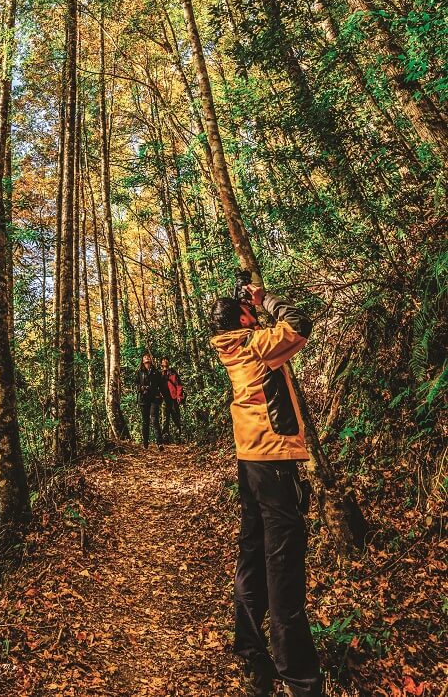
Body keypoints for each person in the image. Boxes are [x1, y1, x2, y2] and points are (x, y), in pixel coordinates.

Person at [211, 281, 323, 697]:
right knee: (283, 565)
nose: (253, 313)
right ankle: (299, 677)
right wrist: (266, 299)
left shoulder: (234, 346)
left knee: (254, 551)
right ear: (242, 318)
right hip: (273, 460)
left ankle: (250, 650)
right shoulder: (256, 345)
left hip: (251, 460)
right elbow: (299, 323)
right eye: (248, 310)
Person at [135, 350, 165, 449]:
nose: (147, 358)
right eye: (145, 357)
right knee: (145, 421)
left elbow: (161, 385)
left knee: (154, 419)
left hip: (154, 398)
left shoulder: (156, 372)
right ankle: (145, 444)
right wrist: (141, 388)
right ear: (142, 361)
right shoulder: (139, 372)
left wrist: (160, 395)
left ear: (151, 360)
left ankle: (159, 443)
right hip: (143, 399)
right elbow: (136, 385)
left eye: (148, 357)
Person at [160, 356, 183, 442]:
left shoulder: (173, 373)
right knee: (165, 419)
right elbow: (157, 386)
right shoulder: (160, 374)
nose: (165, 361)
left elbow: (179, 385)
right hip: (164, 399)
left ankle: (179, 437)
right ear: (161, 363)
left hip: (173, 399)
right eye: (163, 360)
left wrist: (179, 396)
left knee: (176, 417)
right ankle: (165, 438)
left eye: (166, 360)